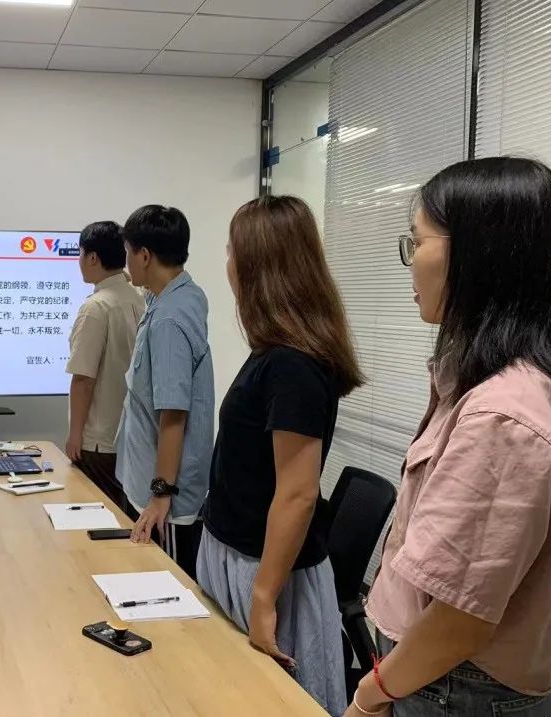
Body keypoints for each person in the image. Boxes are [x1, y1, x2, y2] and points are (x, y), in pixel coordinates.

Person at [347, 158, 551, 717]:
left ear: (478, 255)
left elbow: (459, 618)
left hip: (453, 687)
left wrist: (370, 694)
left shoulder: (505, 416)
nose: (410, 262)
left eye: (418, 243)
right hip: (439, 675)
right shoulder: (505, 383)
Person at [198, 195, 363, 716]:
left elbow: (297, 493)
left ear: (258, 265)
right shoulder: (274, 352)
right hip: (235, 552)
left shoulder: (293, 365)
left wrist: (264, 596)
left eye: (232, 251)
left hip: (267, 570)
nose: (228, 262)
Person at [116, 205, 213, 578]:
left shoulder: (170, 319)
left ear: (144, 255)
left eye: (128, 252)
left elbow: (174, 414)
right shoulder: (171, 297)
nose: (126, 261)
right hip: (149, 483)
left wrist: (160, 495)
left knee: (162, 587)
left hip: (162, 503)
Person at [65, 221, 146, 514]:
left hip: (98, 442)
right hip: (131, 437)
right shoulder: (140, 299)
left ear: (92, 258)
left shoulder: (96, 307)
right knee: (125, 517)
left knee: (97, 519)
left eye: (80, 253)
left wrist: (76, 435)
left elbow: (83, 379)